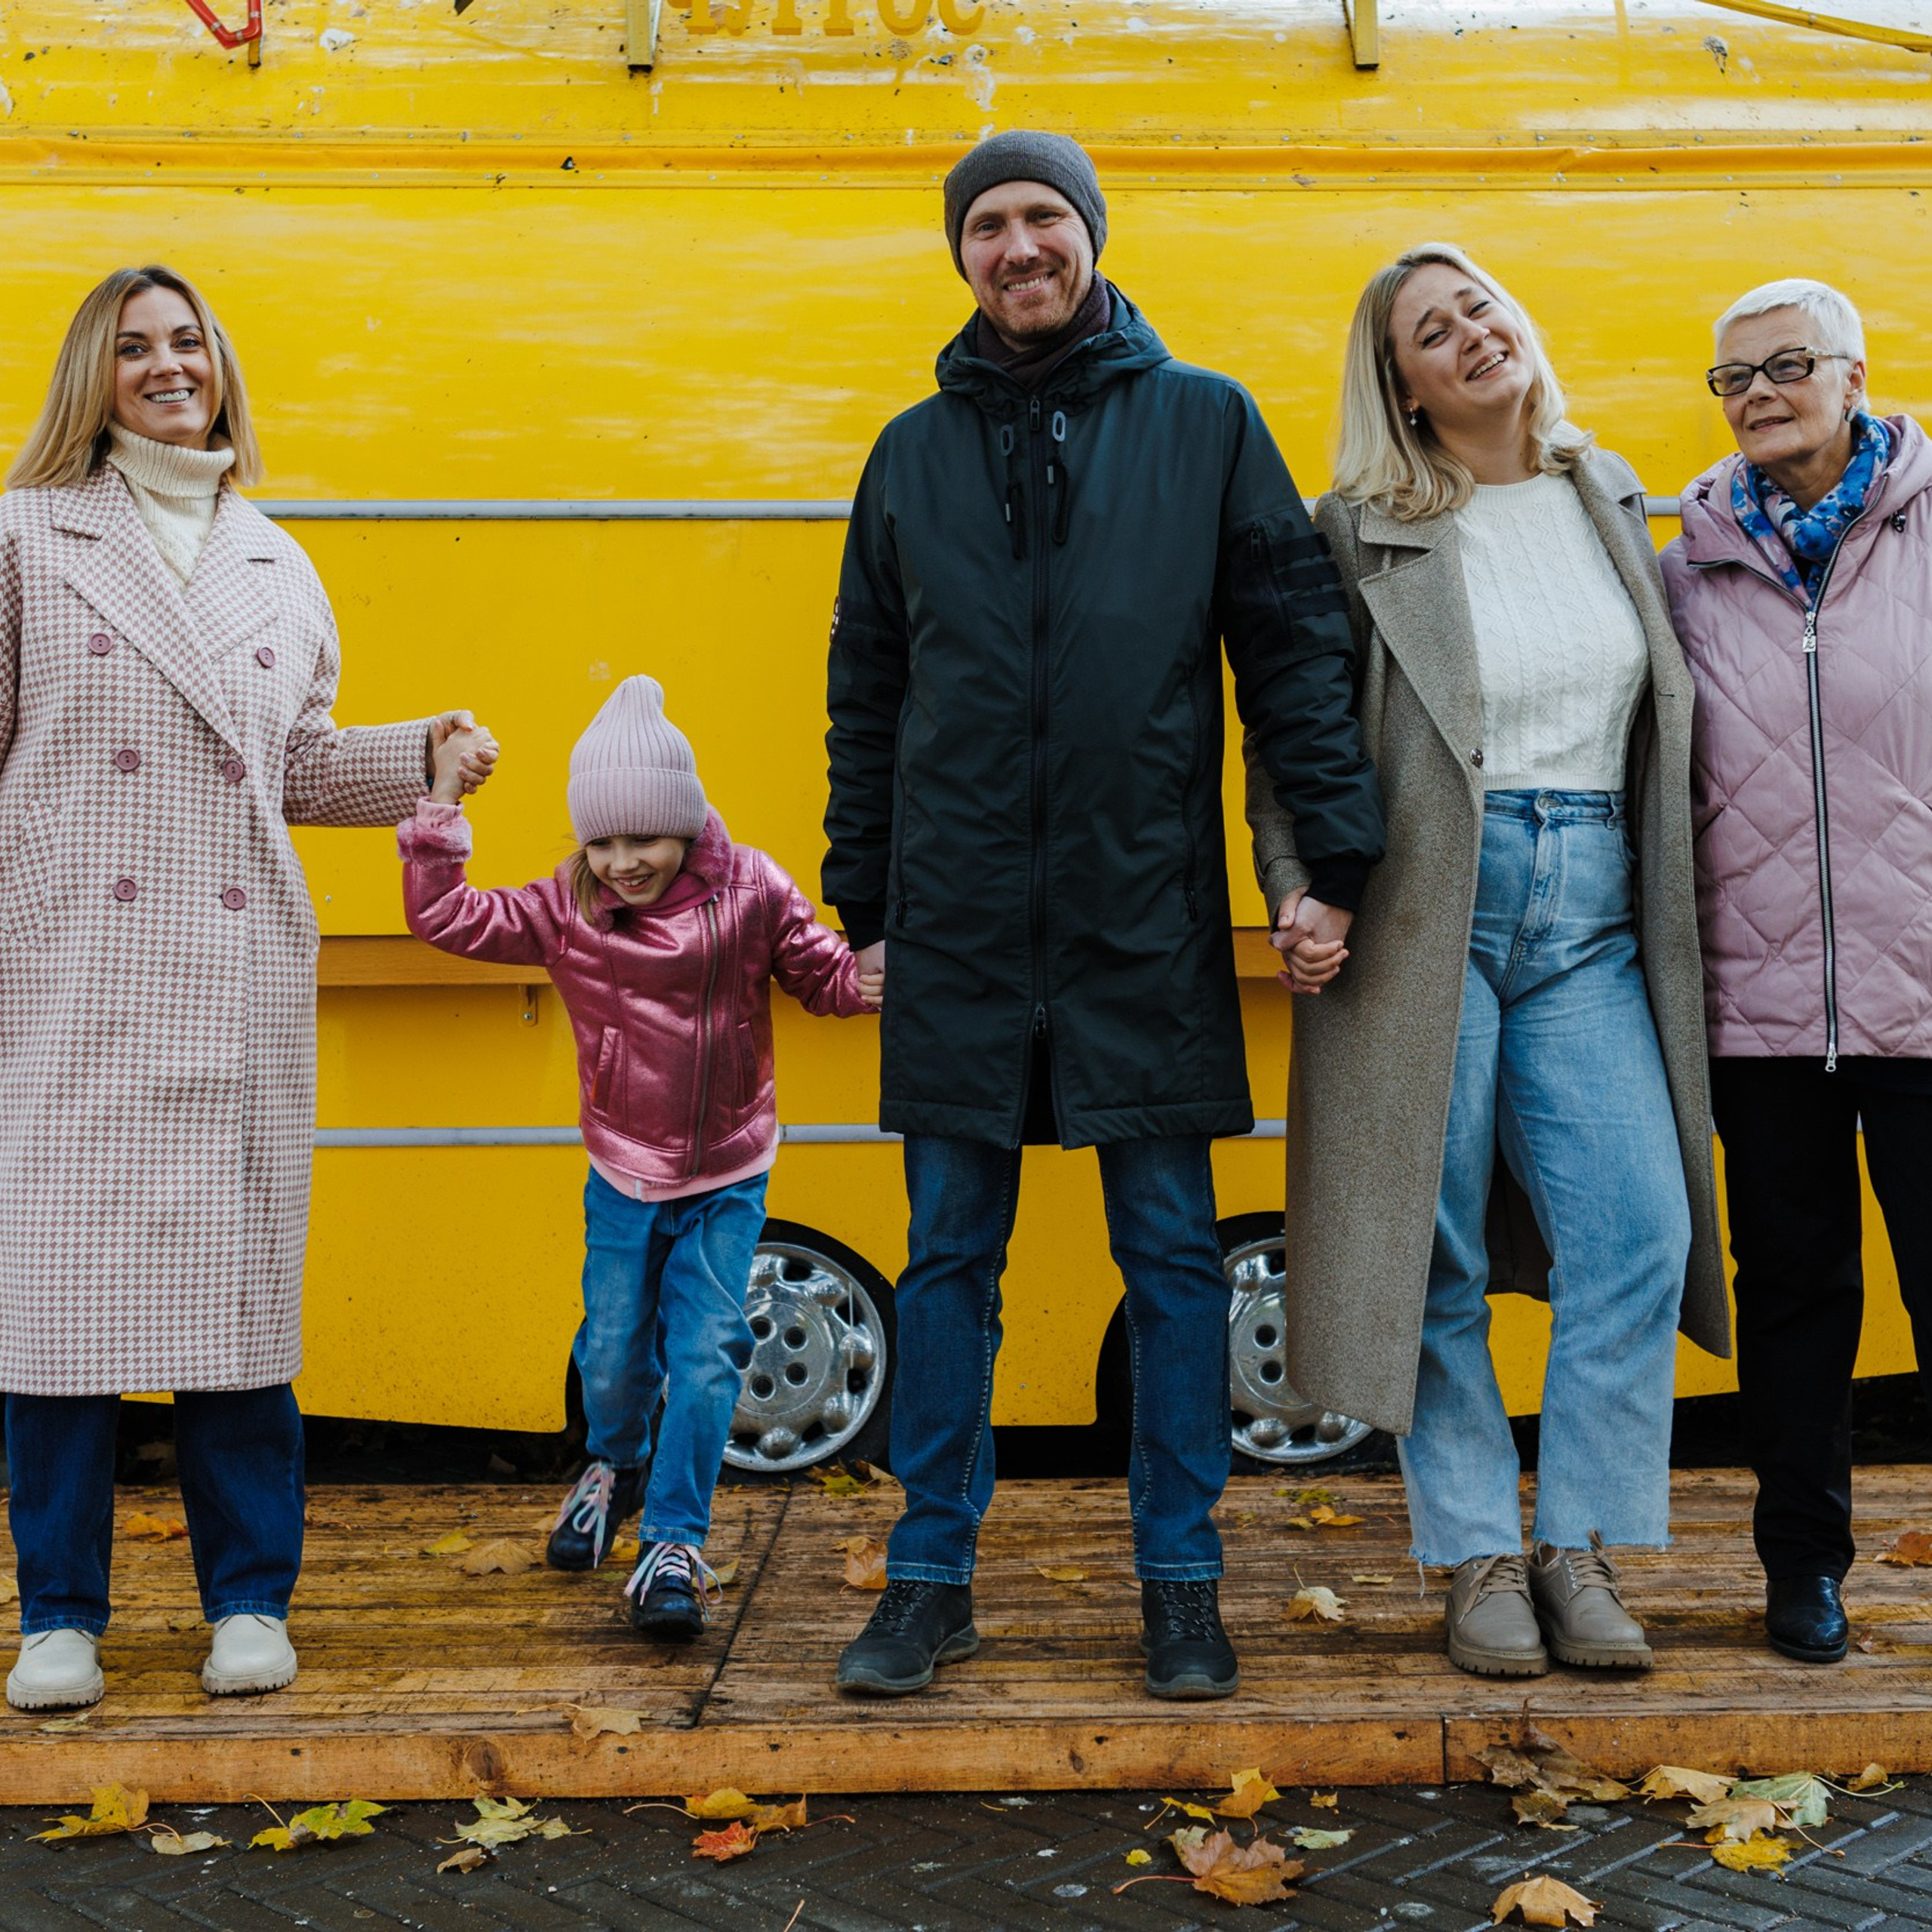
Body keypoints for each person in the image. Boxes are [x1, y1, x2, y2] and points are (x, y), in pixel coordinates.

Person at [824, 131, 1384, 1702]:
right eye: (988, 224)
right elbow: (865, 692)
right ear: (960, 256)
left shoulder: (1204, 425)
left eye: (1042, 217)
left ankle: (1181, 1581)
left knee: (1171, 1259)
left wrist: (1322, 861)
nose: (1019, 245)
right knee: (946, 1257)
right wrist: (861, 897)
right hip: (955, 927)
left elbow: (1287, 657)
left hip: (1142, 921)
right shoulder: (907, 452)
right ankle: (928, 1577)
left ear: (1089, 235)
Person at [0, 264, 493, 1712]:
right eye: (136, 347)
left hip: (230, 978)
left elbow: (286, 766)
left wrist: (419, 757)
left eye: (188, 342)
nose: (168, 366)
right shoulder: (24, 540)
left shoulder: (277, 558)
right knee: (56, 1313)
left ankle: (248, 1604)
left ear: (220, 367)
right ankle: (61, 1619)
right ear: (94, 375)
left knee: (233, 1313)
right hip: (70, 975)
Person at [1247, 242, 1728, 1678]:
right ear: (1397, 383)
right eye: (1428, 333)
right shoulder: (1363, 529)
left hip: (1593, 913)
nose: (1468, 338)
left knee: (1640, 1231)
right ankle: (1472, 1555)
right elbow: (1293, 739)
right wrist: (1296, 888)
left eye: (1480, 309)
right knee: (1428, 1243)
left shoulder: (1608, 495)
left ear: (1522, 321)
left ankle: (1576, 1543)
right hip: (1419, 911)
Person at [401, 675, 878, 1638]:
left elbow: (822, 977)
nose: (622, 863)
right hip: (623, 1168)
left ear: (686, 823)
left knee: (705, 1357)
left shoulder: (750, 889)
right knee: (615, 1356)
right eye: (602, 842)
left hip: (728, 1171)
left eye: (643, 840)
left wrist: (879, 969)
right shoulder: (565, 905)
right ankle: (612, 1467)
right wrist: (441, 809)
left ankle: (673, 1542)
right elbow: (446, 919)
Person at [1660, 278, 1932, 1665]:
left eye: (1785, 365)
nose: (1759, 393)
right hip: (1760, 1011)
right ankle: (1803, 1567)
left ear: (1855, 373)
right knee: (1797, 1293)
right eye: (1732, 378)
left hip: (1926, 994)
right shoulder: (1686, 566)